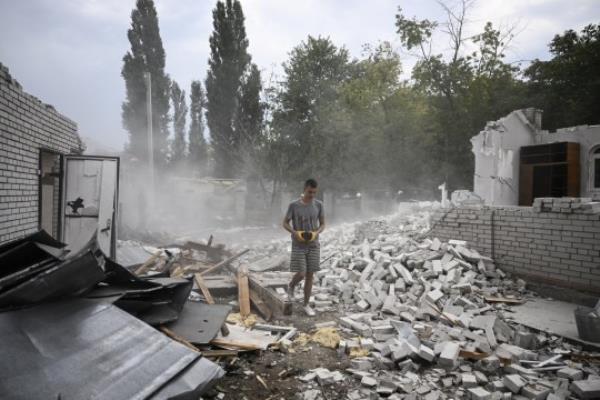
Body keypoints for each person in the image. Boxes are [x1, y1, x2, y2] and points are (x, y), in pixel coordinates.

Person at [282, 178, 325, 316]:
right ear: (304, 189)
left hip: (313, 244)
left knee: (310, 275)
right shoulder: (294, 205)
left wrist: (316, 233)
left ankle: (306, 305)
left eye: (314, 192)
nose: (312, 195)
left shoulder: (319, 205)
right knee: (301, 273)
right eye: (309, 192)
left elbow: (323, 224)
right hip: (298, 244)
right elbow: (285, 223)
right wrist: (295, 233)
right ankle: (291, 285)